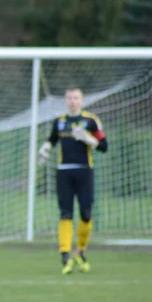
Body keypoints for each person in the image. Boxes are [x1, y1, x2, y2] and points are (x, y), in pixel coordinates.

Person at [37, 87, 108, 274]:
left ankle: (81, 251)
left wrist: (89, 139)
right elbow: (51, 140)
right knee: (65, 214)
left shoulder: (91, 120)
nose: (72, 101)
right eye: (69, 98)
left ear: (82, 100)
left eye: (76, 98)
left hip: (84, 171)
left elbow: (104, 146)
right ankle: (65, 256)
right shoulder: (60, 122)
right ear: (65, 100)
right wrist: (44, 149)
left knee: (86, 213)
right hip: (64, 172)